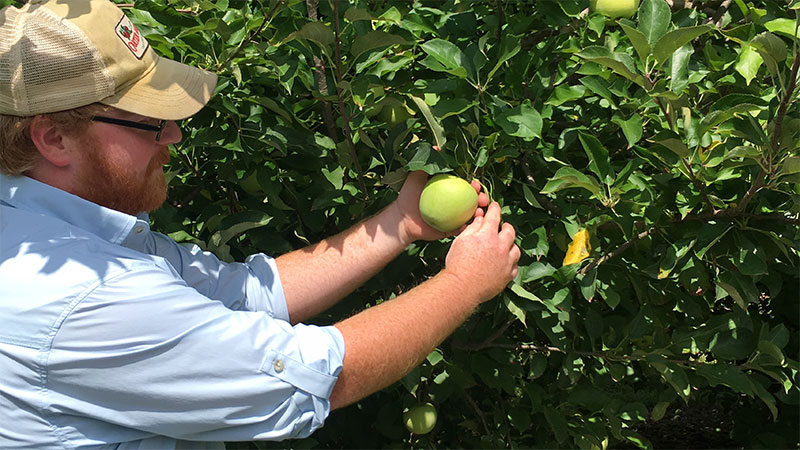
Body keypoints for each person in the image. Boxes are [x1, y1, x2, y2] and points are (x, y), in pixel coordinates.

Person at [0, 0, 520, 448]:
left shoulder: (63, 233)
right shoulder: (85, 295)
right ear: (54, 139)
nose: (174, 136)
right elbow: (311, 377)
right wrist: (463, 284)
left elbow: (242, 292)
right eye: (149, 122)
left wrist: (400, 223)